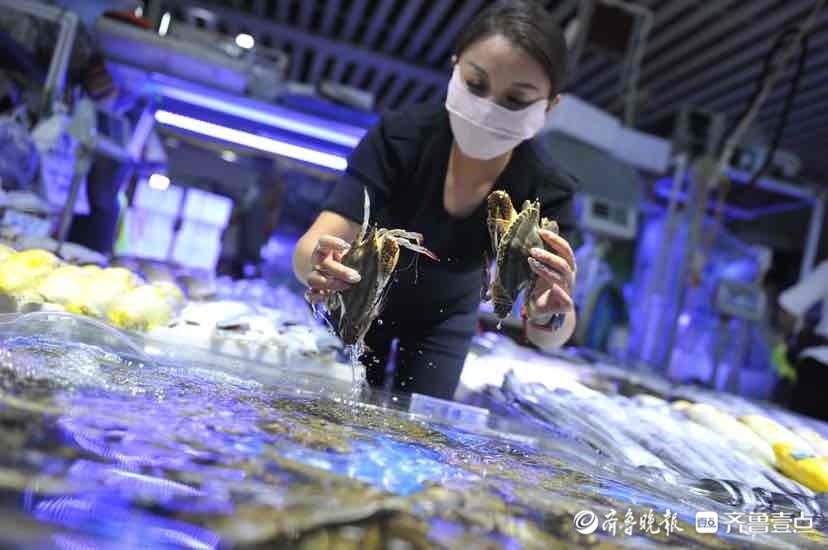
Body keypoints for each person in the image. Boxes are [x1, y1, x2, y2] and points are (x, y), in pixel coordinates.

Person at [293, 0, 578, 400]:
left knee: (421, 435)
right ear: (455, 66)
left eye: (515, 101)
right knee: (326, 414)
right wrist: (319, 267)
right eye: (476, 85)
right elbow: (312, 245)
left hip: (445, 321)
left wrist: (549, 313)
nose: (487, 109)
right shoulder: (400, 138)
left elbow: (551, 333)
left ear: (550, 107)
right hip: (360, 298)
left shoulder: (546, 189)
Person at [777, 258, 828, 421]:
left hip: (820, 368)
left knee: (799, 434)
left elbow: (788, 307)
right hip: (819, 368)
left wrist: (790, 341)